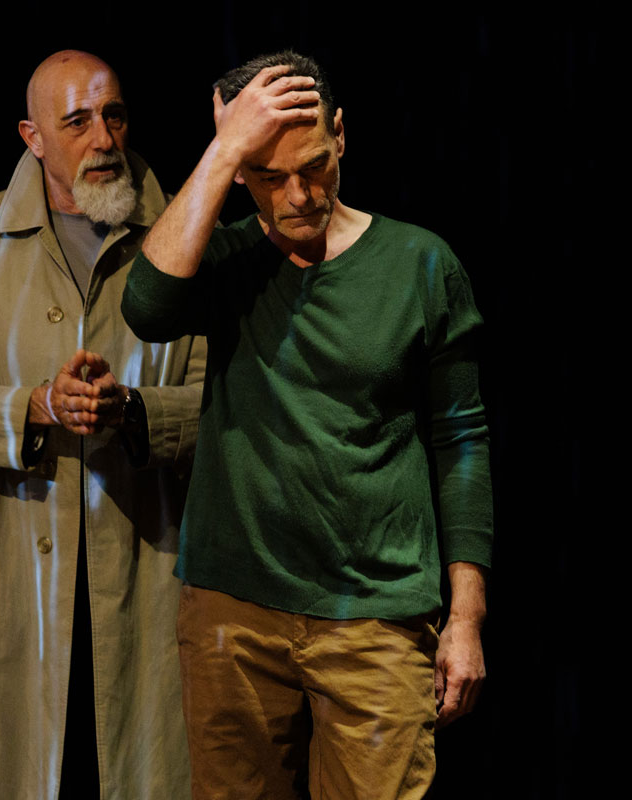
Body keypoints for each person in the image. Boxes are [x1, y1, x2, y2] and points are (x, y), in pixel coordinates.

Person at [121, 51, 492, 799]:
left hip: (375, 618)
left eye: (315, 166)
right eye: (267, 176)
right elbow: (147, 308)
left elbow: (461, 441)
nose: (299, 195)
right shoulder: (230, 262)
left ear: (341, 135)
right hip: (233, 613)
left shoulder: (420, 263)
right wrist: (224, 150)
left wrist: (466, 616)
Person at [0, 50, 204, 800]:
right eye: (77, 122)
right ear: (32, 137)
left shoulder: (186, 237)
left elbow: (225, 409)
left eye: (115, 115)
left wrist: (132, 411)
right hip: (6, 585)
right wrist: (33, 406)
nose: (104, 138)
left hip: (144, 575)